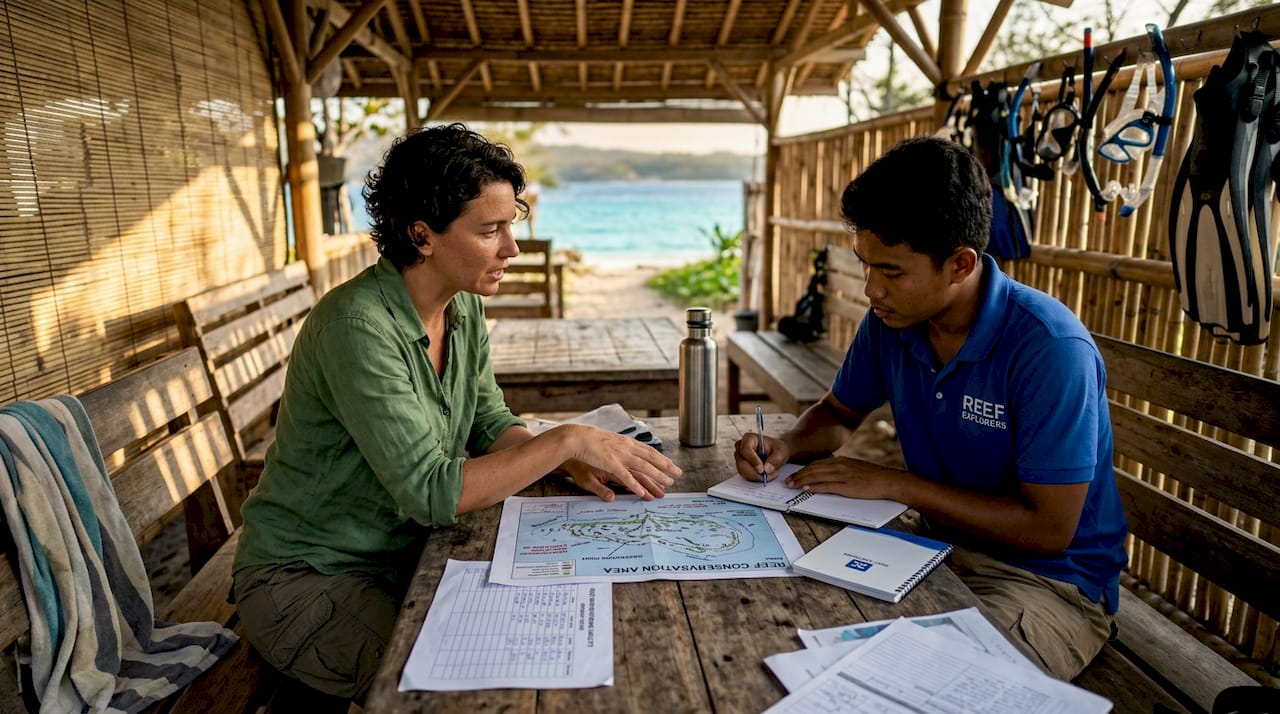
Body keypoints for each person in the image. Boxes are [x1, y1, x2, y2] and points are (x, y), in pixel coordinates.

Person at [232, 123, 682, 707]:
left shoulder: (461, 306)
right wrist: (566, 440)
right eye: (489, 230)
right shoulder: (357, 329)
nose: (511, 249)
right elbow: (430, 491)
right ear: (423, 235)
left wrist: (567, 465)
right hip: (309, 577)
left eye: (510, 226)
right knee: (471, 688)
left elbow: (490, 423)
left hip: (403, 557)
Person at [736, 136, 1127, 681]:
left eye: (891, 272)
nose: (872, 289)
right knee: (776, 613)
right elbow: (839, 414)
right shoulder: (892, 323)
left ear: (960, 264)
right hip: (931, 545)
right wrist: (787, 443)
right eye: (865, 266)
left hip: (1047, 582)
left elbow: (1049, 530)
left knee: (928, 683)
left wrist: (900, 485)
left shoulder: (1049, 349)